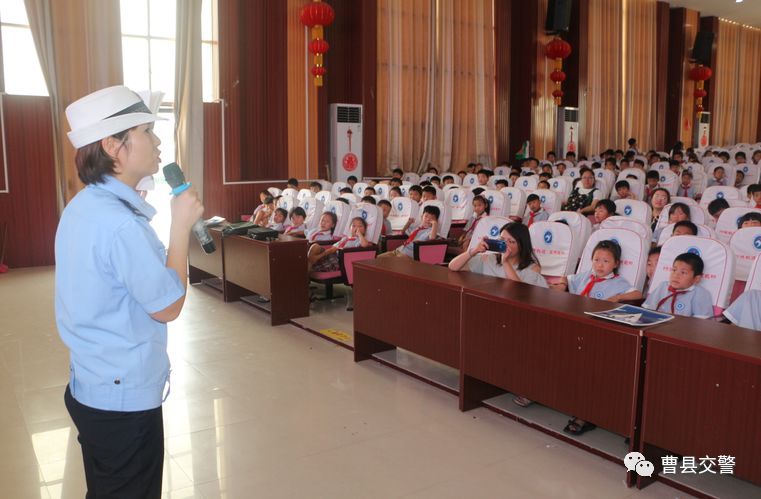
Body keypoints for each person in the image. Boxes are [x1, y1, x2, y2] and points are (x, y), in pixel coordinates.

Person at [57, 85, 203, 497]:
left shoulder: (86, 205)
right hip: (121, 400)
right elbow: (168, 306)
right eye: (146, 132)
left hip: (92, 382)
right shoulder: (120, 225)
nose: (158, 142)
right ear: (112, 146)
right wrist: (179, 227)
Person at [556, 240, 641, 435]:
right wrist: (562, 284)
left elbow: (637, 293)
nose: (599, 265)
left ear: (616, 264)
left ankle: (585, 413)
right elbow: (566, 279)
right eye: (596, 260)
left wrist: (618, 297)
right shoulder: (585, 276)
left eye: (605, 261)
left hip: (598, 334)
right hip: (574, 326)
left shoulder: (619, 282)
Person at [449, 222, 547, 288]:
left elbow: (519, 292)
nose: (505, 244)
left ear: (522, 245)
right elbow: (453, 266)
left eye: (511, 241)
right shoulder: (489, 259)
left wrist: (505, 262)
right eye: (502, 240)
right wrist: (473, 251)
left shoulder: (533, 268)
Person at [643, 252, 713, 318]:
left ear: (697, 278)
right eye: (674, 270)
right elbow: (647, 308)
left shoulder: (700, 294)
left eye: (683, 272)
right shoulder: (663, 286)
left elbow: (701, 323)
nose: (676, 275)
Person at [308, 217, 373, 272]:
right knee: (315, 246)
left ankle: (313, 261)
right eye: (354, 226)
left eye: (360, 226)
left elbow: (365, 244)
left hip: (338, 260)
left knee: (309, 261)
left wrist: (359, 234)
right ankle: (313, 261)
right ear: (350, 228)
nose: (357, 228)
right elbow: (333, 247)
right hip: (330, 255)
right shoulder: (345, 238)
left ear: (364, 230)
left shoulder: (359, 240)